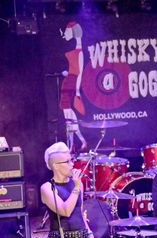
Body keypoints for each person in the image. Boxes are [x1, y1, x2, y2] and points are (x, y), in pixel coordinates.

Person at [60, 21, 88, 152]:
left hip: (72, 83)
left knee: (69, 116)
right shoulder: (75, 50)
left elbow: (80, 72)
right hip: (67, 82)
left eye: (67, 31)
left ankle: (77, 143)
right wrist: (67, 73)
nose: (65, 34)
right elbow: (73, 69)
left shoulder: (80, 52)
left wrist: (77, 90)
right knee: (68, 116)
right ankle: (74, 144)